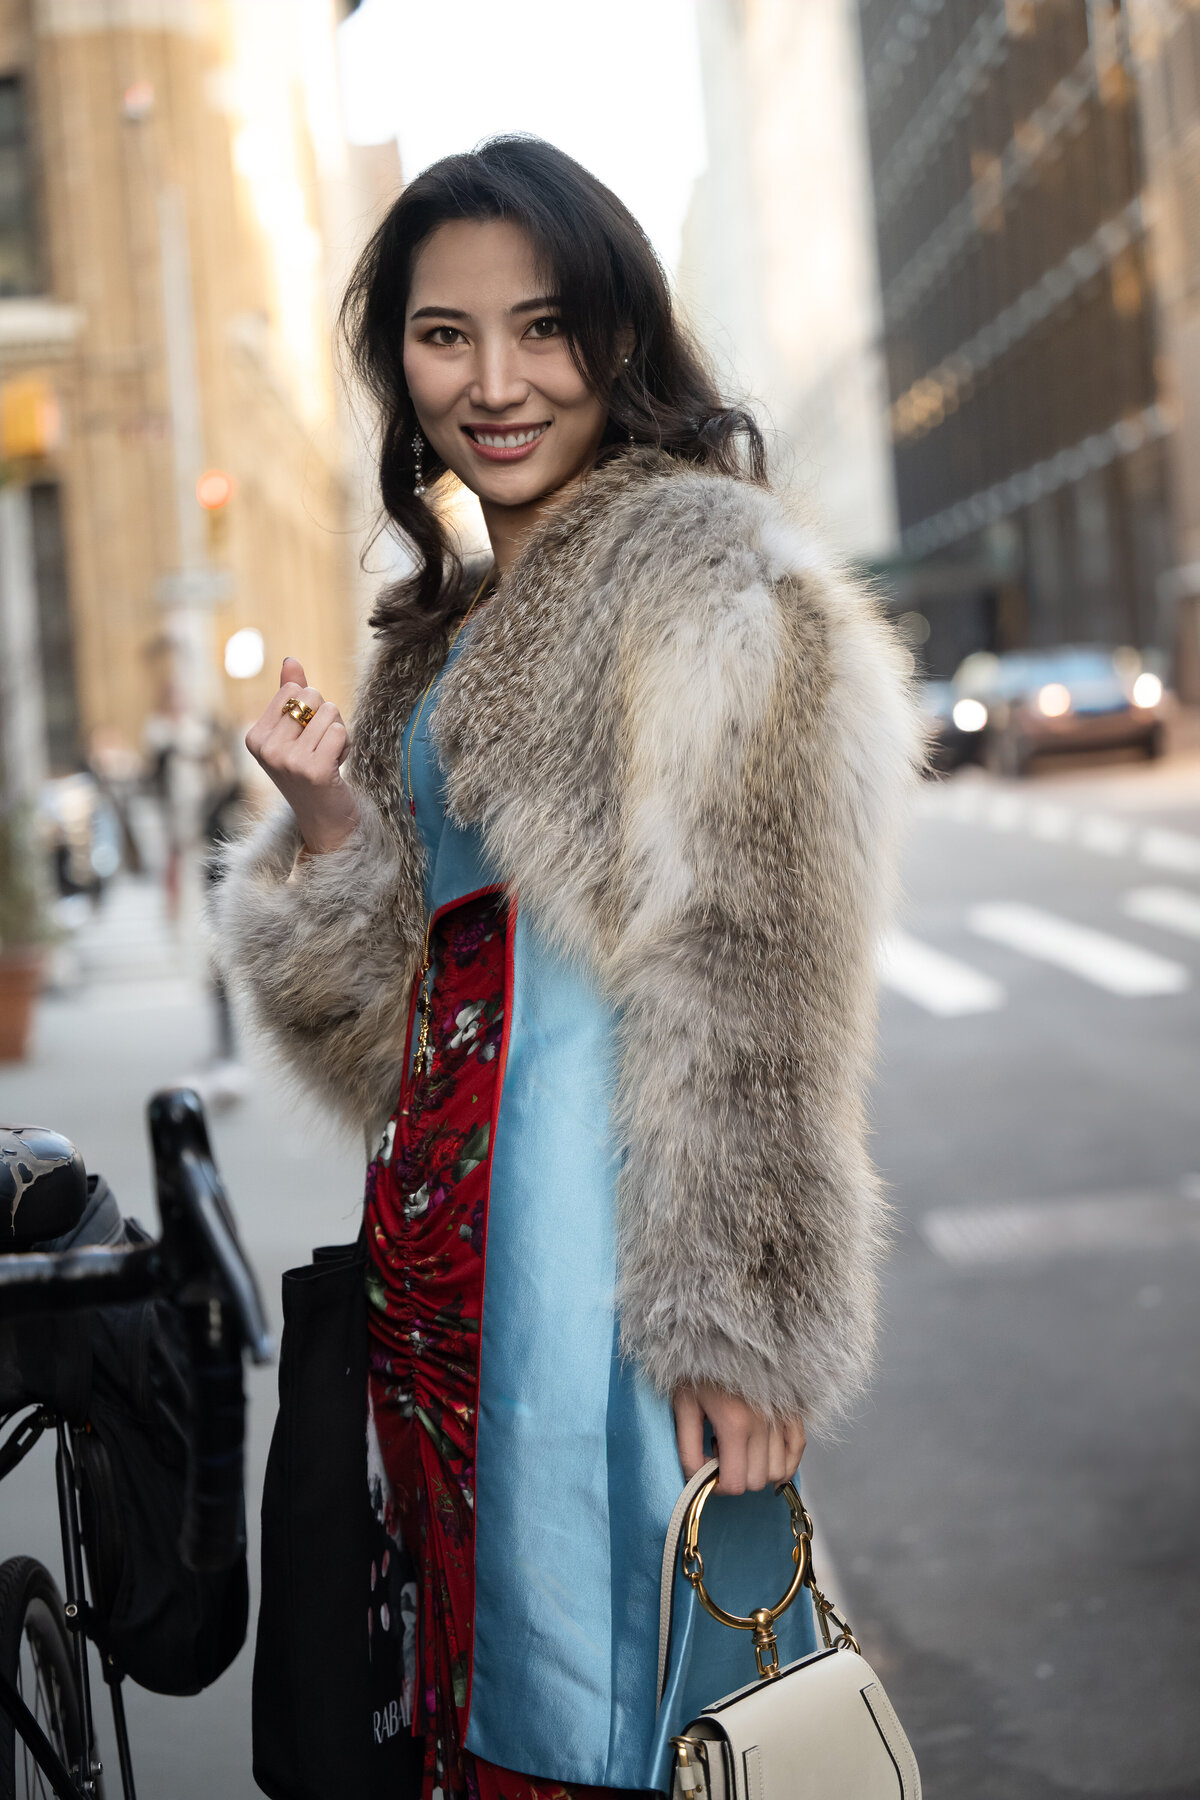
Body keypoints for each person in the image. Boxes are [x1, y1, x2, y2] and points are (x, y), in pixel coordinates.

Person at [217, 136, 923, 1800]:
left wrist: (744, 1329)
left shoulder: (704, 574)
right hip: (438, 1285)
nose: (499, 381)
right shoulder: (435, 632)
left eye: (544, 328)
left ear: (617, 336)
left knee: (628, 1711)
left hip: (610, 1266)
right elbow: (395, 1007)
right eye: (446, 335)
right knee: (468, 1702)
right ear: (398, 362)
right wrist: (329, 822)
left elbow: (754, 981)